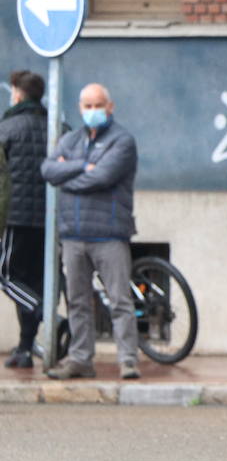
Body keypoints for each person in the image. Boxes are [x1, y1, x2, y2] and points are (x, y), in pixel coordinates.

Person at [40, 84, 140, 380]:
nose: (92, 111)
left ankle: (128, 360)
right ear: (80, 107)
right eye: (87, 105)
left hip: (109, 234)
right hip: (73, 234)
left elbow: (103, 176)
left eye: (98, 105)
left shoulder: (122, 141)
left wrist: (68, 173)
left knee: (120, 300)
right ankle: (80, 359)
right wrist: (84, 166)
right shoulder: (71, 140)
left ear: (110, 107)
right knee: (77, 302)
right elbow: (48, 170)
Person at [0, 71, 48, 370]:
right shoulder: (58, 126)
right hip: (48, 220)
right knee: (29, 281)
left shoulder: (7, 128)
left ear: (18, 94)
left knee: (7, 277)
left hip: (15, 218)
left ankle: (42, 311)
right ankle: (25, 349)